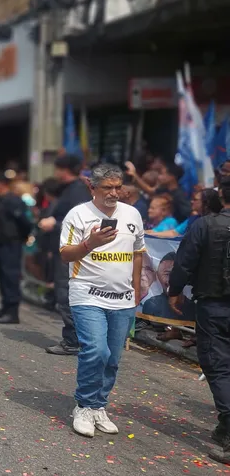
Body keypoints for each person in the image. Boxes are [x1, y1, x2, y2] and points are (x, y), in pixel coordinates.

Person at [58, 163, 145, 438]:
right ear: (91, 187)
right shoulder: (78, 215)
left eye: (118, 187)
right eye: (107, 187)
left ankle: (98, 405)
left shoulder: (132, 214)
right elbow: (65, 255)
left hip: (122, 298)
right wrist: (90, 243)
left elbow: (138, 252)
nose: (114, 193)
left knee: (113, 359)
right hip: (87, 294)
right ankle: (83, 405)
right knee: (96, 351)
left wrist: (137, 285)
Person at [168, 175, 230, 463]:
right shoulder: (205, 224)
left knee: (216, 364)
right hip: (213, 303)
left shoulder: (206, 224)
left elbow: (184, 261)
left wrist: (175, 290)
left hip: (214, 306)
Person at [37, 155, 92, 355]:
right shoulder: (71, 189)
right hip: (64, 249)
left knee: (66, 294)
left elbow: (81, 222)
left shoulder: (76, 190)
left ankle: (72, 340)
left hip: (71, 251)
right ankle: (76, 339)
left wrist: (55, 223)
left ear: (64, 169)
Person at [0, 171, 32, 324]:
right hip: (0, 241)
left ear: (1, 184)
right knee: (1, 275)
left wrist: (23, 237)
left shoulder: (13, 201)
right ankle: (5, 307)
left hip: (11, 242)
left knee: (10, 276)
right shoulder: (0, 200)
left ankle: (12, 311)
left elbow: (24, 221)